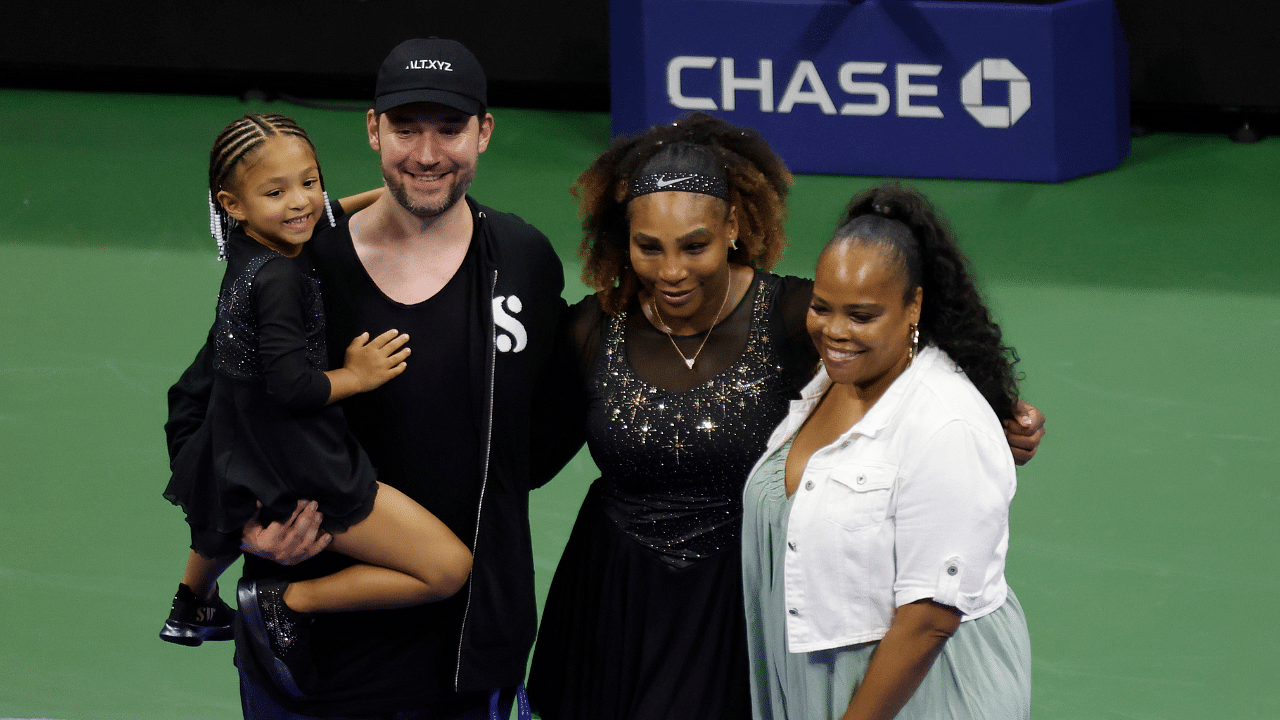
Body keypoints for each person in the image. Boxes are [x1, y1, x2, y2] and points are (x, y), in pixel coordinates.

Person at [526, 115, 1045, 720]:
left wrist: (997, 411)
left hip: (742, 600)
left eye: (694, 244)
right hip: (614, 600)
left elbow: (904, 345)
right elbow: (529, 459)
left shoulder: (802, 317)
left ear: (734, 227)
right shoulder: (589, 330)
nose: (671, 271)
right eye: (649, 247)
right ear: (624, 239)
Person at [164, 40, 581, 719]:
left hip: (463, 649)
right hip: (309, 655)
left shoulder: (522, 258)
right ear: (372, 129)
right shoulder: (300, 263)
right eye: (405, 128)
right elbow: (198, 411)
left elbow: (546, 429)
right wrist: (239, 525)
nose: (426, 153)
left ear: (484, 132)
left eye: (449, 129)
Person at [160, 112, 474, 697]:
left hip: (237, 441)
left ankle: (191, 603)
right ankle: (282, 604)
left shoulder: (256, 242)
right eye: (276, 191)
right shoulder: (279, 280)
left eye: (310, 181)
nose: (302, 202)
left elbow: (325, 212)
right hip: (297, 462)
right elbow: (293, 387)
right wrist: (358, 375)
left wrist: (402, 187)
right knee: (448, 569)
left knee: (220, 518)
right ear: (232, 203)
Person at [741, 185, 1033, 720]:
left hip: (920, 689)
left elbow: (930, 619)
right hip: (820, 679)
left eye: (861, 315)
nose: (835, 331)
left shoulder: (946, 423)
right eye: (822, 307)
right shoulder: (827, 383)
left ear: (913, 305)